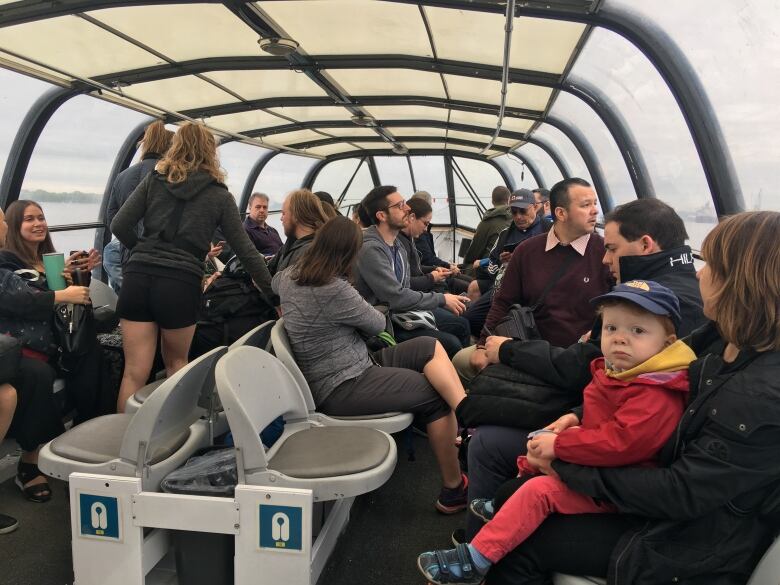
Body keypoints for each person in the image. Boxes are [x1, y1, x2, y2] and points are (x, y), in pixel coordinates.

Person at [484, 211, 780, 584]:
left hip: (694, 539)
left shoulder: (761, 394)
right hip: (656, 480)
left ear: (742, 283)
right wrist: (577, 416)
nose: (700, 273)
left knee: (518, 545)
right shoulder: (721, 338)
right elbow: (640, 379)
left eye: (713, 266)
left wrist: (565, 464)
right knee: (514, 493)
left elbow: (682, 492)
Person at [459, 197, 707, 542]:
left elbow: (586, 370)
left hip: (615, 437)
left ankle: (482, 542)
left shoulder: (660, 302)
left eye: (613, 249)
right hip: (594, 405)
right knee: (486, 409)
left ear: (645, 245)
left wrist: (512, 352)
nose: (606, 260)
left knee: (487, 440)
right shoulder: (668, 293)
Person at [417, 280, 694, 584]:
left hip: (617, 489)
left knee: (540, 491)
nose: (620, 340)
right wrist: (573, 420)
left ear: (667, 345)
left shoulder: (656, 394)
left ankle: (476, 559)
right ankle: (505, 509)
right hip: (599, 466)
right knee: (534, 445)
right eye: (612, 329)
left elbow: (619, 443)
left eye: (637, 331)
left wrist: (561, 445)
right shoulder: (623, 372)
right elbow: (603, 412)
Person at [272, 216, 468, 512]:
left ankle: (466, 416)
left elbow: (274, 283)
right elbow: (378, 323)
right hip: (342, 384)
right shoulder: (334, 288)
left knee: (429, 346)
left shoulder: (289, 277)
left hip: (354, 362)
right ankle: (454, 490)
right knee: (434, 396)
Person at [111, 122, 273, 412]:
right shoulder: (219, 195)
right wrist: (273, 294)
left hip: (138, 277)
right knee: (176, 365)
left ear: (176, 147)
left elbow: (119, 223)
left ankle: (121, 440)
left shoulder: (154, 180)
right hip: (180, 283)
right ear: (210, 152)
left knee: (134, 372)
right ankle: (171, 440)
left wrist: (143, 250)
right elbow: (246, 251)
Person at [454, 178, 612, 383]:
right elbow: (503, 301)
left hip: (574, 360)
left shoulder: (605, 254)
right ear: (561, 213)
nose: (595, 211)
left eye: (595, 204)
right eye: (585, 205)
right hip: (525, 349)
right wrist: (483, 345)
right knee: (460, 361)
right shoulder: (527, 251)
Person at [0, 205, 77, 505]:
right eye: (24, 220)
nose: (4, 227)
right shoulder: (6, 263)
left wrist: (70, 279)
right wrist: (58, 294)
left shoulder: (40, 262)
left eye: (40, 218)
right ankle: (30, 463)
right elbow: (16, 298)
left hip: (35, 344)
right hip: (15, 347)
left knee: (87, 359)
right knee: (36, 374)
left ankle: (90, 437)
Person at [0, 200, 103, 423]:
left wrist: (78, 275)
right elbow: (23, 299)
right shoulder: (8, 261)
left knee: (94, 350)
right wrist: (59, 289)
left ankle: (94, 421)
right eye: (29, 219)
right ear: (13, 225)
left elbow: (73, 299)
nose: (38, 224)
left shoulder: (48, 261)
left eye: (41, 218)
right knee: (87, 354)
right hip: (33, 342)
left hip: (60, 335)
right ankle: (90, 420)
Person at [352, 186, 468, 358]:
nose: (407, 208)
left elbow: (406, 287)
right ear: (382, 216)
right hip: (384, 324)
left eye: (405, 203)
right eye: (400, 206)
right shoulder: (370, 249)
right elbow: (395, 297)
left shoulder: (398, 246)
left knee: (461, 324)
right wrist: (441, 299)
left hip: (401, 313)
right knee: (451, 343)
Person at [463, 189, 552, 335]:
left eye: (523, 211)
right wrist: (501, 263)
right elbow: (491, 266)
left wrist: (521, 261)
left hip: (537, 292)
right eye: (514, 212)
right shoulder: (505, 234)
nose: (518, 217)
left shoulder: (550, 231)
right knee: (470, 318)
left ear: (536, 207)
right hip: (504, 288)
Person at [104, 120, 174, 292]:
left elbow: (112, 217)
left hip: (129, 255)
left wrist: (134, 245)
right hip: (163, 257)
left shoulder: (122, 176)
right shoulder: (172, 175)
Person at [267, 189, 330, 275]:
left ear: (296, 215)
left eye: (284, 214)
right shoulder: (291, 244)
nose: (281, 218)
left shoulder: (310, 254)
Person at [462, 186, 511, 275]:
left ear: (492, 201)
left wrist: (465, 265)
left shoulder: (487, 222)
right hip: (507, 268)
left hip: (489, 269)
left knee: (464, 269)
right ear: (509, 200)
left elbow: (474, 251)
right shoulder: (515, 220)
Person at [243, 192, 283, 256]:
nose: (262, 210)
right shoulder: (245, 230)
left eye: (265, 207)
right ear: (250, 208)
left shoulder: (273, 230)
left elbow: (283, 250)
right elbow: (252, 258)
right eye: (258, 207)